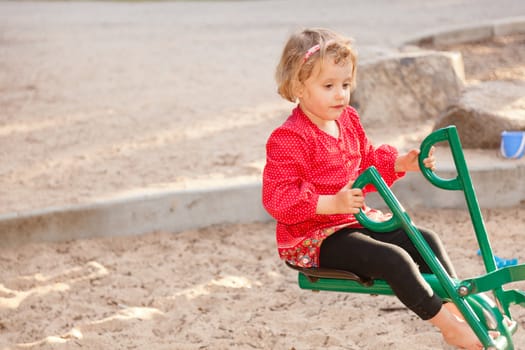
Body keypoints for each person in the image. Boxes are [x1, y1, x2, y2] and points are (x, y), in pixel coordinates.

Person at [262, 28, 498, 350]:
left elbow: (368, 163)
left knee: (425, 239)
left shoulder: (348, 120)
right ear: (298, 87)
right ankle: (448, 326)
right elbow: (278, 197)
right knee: (393, 259)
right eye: (328, 86)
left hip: (355, 220)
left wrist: (401, 162)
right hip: (316, 235)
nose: (340, 94)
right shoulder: (289, 138)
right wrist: (330, 203)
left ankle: (460, 307)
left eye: (345, 84)